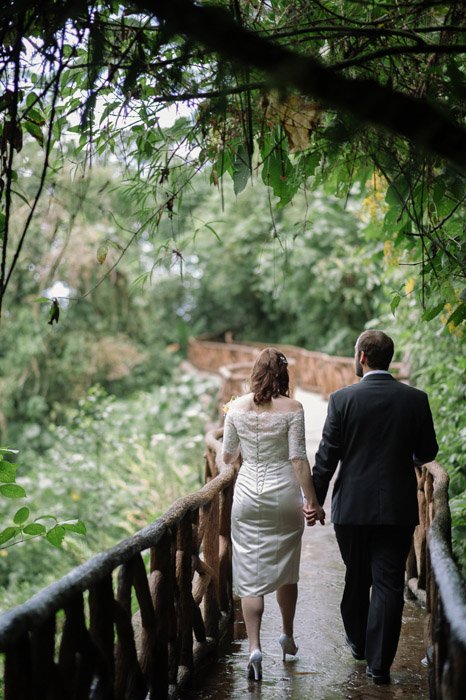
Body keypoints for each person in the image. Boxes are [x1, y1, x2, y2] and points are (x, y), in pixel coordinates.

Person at [308, 329, 438, 685]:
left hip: (351, 508)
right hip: (396, 507)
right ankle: (378, 666)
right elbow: (427, 452)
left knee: (357, 576)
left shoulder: (342, 399)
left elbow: (326, 458)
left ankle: (358, 641)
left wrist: (314, 501)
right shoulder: (415, 399)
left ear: (362, 356)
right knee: (388, 584)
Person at [222, 347, 325, 681]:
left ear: (254, 373)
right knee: (286, 567)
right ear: (284, 376)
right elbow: (298, 458)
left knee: (250, 570)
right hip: (284, 496)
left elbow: (227, 456)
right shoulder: (294, 408)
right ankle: (287, 635)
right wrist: (312, 501)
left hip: (247, 496)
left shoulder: (236, 407)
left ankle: (254, 647)